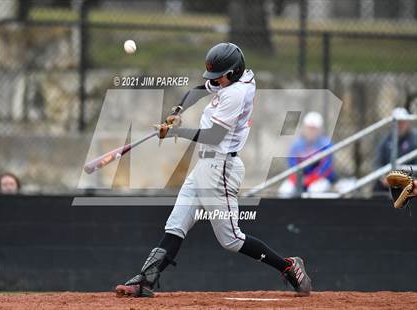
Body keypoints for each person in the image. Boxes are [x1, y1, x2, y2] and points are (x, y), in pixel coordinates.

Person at [115, 43, 311, 298]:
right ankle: (146, 279)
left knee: (231, 239)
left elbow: (214, 136)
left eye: (219, 76)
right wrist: (177, 112)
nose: (215, 81)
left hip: (221, 168)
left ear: (233, 72)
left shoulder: (237, 93)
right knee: (175, 225)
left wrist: (175, 132)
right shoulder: (231, 79)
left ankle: (288, 267)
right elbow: (197, 90)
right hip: (204, 167)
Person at [278, 112, 335, 197]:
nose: (310, 131)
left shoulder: (326, 144)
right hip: (300, 179)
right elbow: (292, 164)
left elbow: (326, 167)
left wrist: (311, 179)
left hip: (320, 179)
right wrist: (300, 179)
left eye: (313, 128)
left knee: (314, 191)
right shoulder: (297, 144)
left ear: (319, 129)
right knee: (284, 191)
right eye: (309, 128)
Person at [374, 107, 417, 193]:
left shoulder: (414, 140)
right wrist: (383, 178)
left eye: (403, 122)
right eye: (397, 122)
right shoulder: (386, 141)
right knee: (377, 188)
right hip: (388, 181)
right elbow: (378, 163)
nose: (400, 125)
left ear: (407, 122)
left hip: (408, 180)